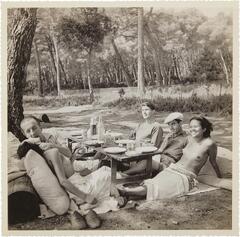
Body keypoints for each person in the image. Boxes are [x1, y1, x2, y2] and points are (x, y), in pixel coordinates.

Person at [118, 116, 222, 200]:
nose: (192, 129)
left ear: (204, 128)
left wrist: (219, 178)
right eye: (190, 127)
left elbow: (213, 162)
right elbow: (169, 147)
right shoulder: (189, 139)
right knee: (153, 183)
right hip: (173, 169)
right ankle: (126, 195)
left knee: (157, 188)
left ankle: (125, 192)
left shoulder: (210, 144)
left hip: (186, 176)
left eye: (196, 127)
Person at [20, 116, 97, 205]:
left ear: (40, 127)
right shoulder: (30, 149)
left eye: (34, 128)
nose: (32, 133)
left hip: (73, 172)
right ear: (24, 134)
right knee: (106, 173)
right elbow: (62, 180)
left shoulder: (52, 137)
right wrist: (85, 196)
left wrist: (53, 145)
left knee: (101, 168)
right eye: (28, 131)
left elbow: (68, 155)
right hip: (74, 185)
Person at [122, 112, 187, 175]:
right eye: (169, 125)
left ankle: (124, 174)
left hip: (169, 164)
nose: (171, 128)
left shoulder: (186, 138)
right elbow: (160, 150)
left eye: (173, 124)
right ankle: (128, 173)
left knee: (147, 162)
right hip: (160, 159)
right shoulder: (169, 135)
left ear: (180, 123)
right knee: (140, 158)